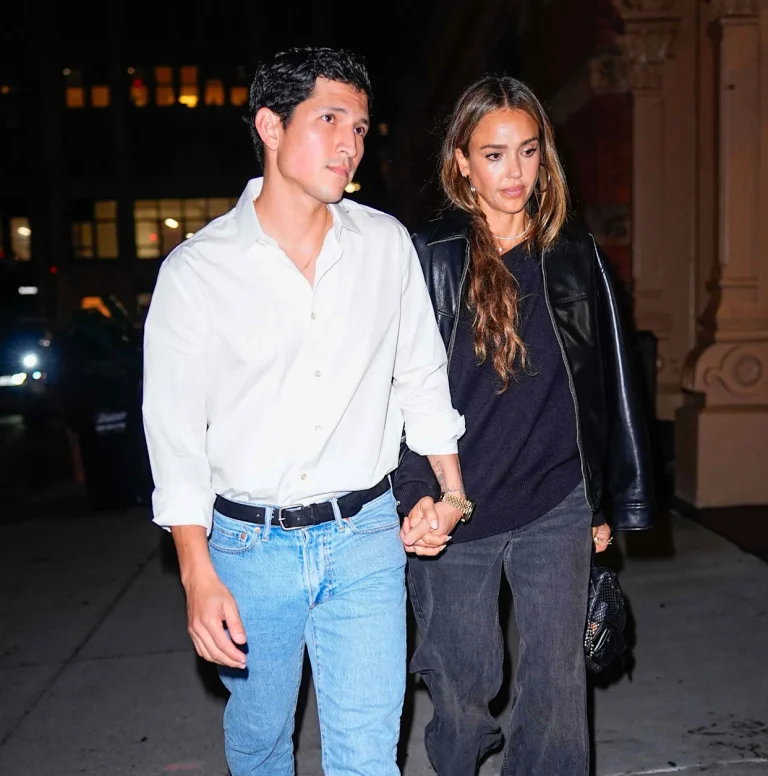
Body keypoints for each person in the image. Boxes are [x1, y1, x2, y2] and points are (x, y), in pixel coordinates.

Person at [142, 47, 468, 776]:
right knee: (261, 744)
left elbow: (421, 376)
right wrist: (197, 573)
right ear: (271, 126)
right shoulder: (197, 271)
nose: (350, 143)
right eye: (329, 120)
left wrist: (451, 493)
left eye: (360, 127)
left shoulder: (384, 244)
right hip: (247, 546)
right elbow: (173, 434)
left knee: (368, 754)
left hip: (366, 537)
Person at [394, 75, 654, 776]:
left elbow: (603, 385)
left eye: (529, 151)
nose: (515, 172)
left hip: (555, 499)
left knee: (556, 690)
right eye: (494, 154)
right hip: (457, 501)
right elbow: (401, 388)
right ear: (461, 162)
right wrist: (414, 492)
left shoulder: (575, 255)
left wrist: (600, 501)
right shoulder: (429, 256)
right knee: (462, 682)